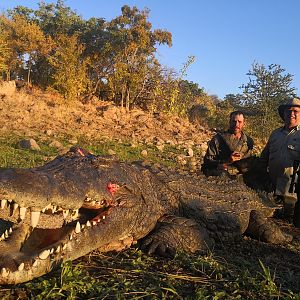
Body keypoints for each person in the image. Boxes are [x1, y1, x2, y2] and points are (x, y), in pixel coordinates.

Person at [260, 96, 300, 226]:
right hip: (271, 188)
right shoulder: (275, 134)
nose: (291, 114)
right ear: (283, 114)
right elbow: (264, 158)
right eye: (288, 111)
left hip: (292, 193)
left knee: (289, 224)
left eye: (295, 111)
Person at [201, 110, 254, 177]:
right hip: (223, 171)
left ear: (244, 123)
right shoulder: (218, 139)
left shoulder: (248, 141)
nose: (236, 124)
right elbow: (207, 161)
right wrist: (227, 161)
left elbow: (249, 162)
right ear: (229, 122)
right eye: (234, 121)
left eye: (239, 122)